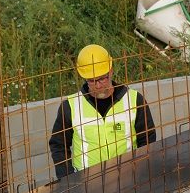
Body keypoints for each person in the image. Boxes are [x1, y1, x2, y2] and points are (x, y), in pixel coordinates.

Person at [49, 44, 157, 179]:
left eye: (103, 78)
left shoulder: (134, 100)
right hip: (87, 184)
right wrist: (68, 181)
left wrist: (142, 172)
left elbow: (147, 139)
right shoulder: (70, 106)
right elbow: (58, 145)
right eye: (92, 81)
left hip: (127, 179)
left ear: (111, 71)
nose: (98, 85)